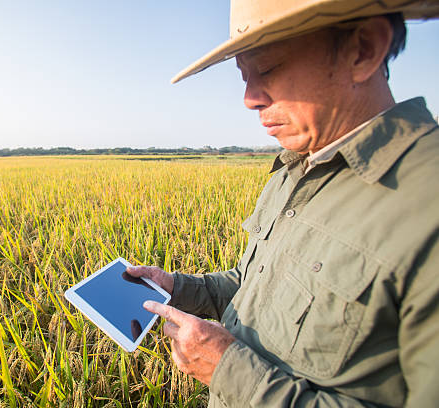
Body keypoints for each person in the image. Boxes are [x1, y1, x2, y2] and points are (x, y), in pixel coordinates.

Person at [127, 0, 439, 406]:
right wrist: (178, 288)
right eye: (244, 76)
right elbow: (252, 287)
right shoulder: (295, 169)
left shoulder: (427, 201)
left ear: (363, 49)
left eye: (268, 68)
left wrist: (228, 370)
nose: (249, 99)